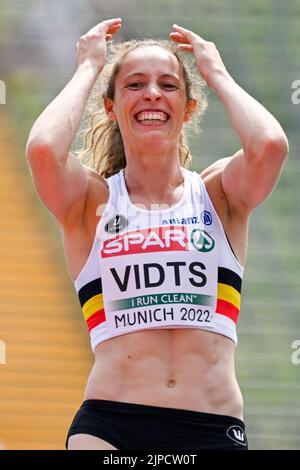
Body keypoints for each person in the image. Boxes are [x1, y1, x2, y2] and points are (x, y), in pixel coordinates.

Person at [25, 18, 288, 450]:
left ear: (187, 108)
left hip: (211, 426)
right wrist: (89, 68)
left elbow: (270, 146)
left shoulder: (218, 195)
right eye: (134, 85)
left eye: (168, 85)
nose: (152, 93)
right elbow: (42, 151)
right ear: (111, 107)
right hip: (111, 424)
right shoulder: (90, 201)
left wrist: (214, 72)